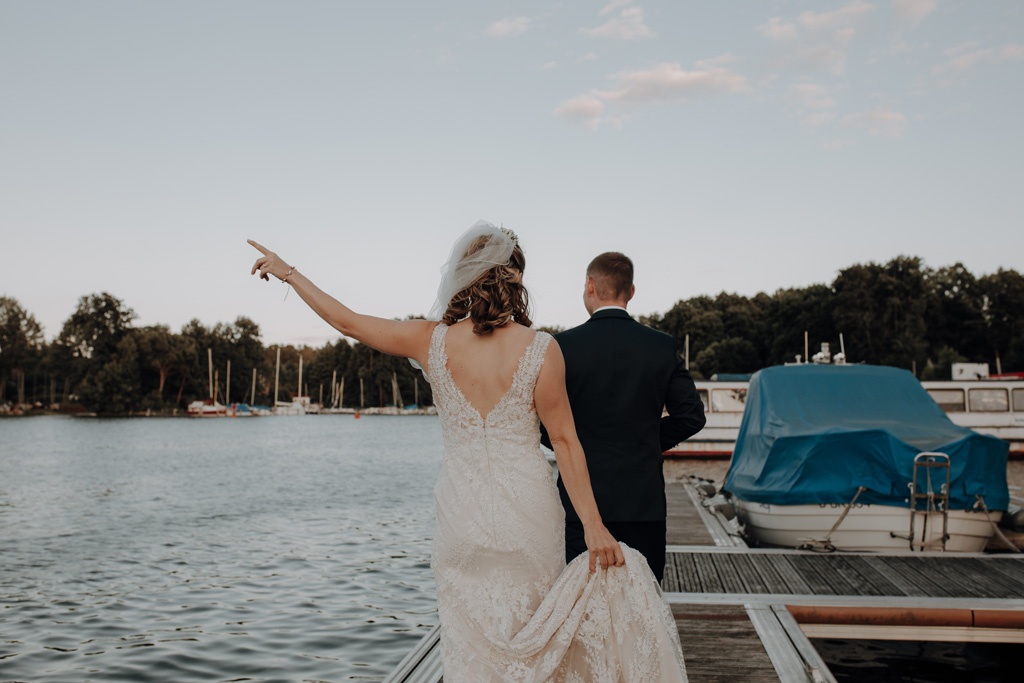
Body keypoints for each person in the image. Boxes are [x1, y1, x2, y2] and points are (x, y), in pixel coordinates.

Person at [249, 222, 687, 681]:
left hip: (462, 512)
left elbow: (347, 322)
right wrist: (595, 527)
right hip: (530, 515)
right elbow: (565, 443)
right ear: (515, 279)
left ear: (463, 276)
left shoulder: (430, 339)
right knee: (536, 637)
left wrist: (290, 273)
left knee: (471, 645)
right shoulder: (542, 349)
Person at [543, 252, 706, 583]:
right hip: (642, 503)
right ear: (631, 291)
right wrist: (645, 439)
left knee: (580, 603)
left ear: (590, 285)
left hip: (578, 504)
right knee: (643, 601)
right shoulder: (661, 346)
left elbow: (540, 423)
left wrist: (575, 443)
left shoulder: (560, 347)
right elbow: (691, 416)